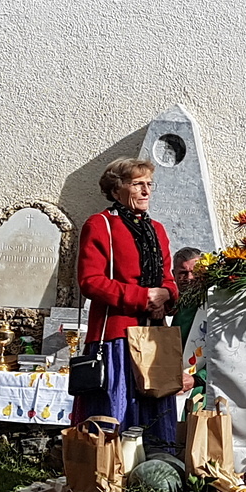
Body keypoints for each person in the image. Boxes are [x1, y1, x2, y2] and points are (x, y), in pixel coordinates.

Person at [74, 157, 179, 447]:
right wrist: (144, 297)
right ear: (116, 190)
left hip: (153, 337)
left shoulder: (157, 229)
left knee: (155, 412)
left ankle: (154, 466)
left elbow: (169, 279)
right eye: (137, 184)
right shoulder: (100, 225)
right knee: (117, 412)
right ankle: (110, 469)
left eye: (149, 184)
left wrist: (167, 294)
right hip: (116, 336)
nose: (146, 191)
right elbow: (90, 281)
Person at [171, 247, 202, 394]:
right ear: (174, 275)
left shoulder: (214, 306)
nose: (189, 278)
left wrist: (198, 379)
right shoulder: (167, 306)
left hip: (202, 388)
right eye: (183, 273)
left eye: (194, 272)